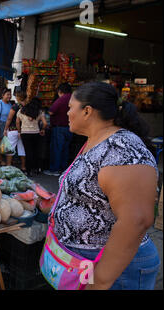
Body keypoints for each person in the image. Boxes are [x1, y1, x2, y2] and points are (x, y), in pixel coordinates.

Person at [51, 81, 159, 290]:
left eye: (71, 107)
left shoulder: (122, 148)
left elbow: (136, 219)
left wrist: (99, 281)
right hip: (85, 262)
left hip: (115, 271)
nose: (67, 113)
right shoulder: (97, 140)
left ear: (87, 111)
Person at [44, 83, 74, 176]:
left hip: (59, 128)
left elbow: (51, 111)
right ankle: (63, 168)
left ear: (60, 91)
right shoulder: (74, 98)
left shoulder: (62, 99)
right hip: (70, 127)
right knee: (65, 149)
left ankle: (54, 169)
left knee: (57, 149)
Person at [16, 97, 48, 176]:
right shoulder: (39, 112)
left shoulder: (22, 110)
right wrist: (43, 129)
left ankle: (28, 170)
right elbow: (45, 123)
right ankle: (36, 169)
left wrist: (19, 131)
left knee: (28, 151)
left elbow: (17, 122)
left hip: (25, 133)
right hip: (35, 133)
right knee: (35, 151)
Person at [4, 90, 27, 172]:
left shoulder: (15, 106)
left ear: (18, 97)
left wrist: (5, 129)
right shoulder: (27, 106)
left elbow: (9, 118)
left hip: (13, 129)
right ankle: (23, 166)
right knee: (22, 149)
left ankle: (8, 165)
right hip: (24, 130)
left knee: (10, 148)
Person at [0, 89, 13, 166]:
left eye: (10, 94)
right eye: (7, 94)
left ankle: (7, 160)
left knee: (7, 143)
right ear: (3, 95)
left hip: (8, 125)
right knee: (0, 144)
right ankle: (0, 160)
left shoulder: (10, 104)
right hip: (0, 124)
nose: (9, 96)